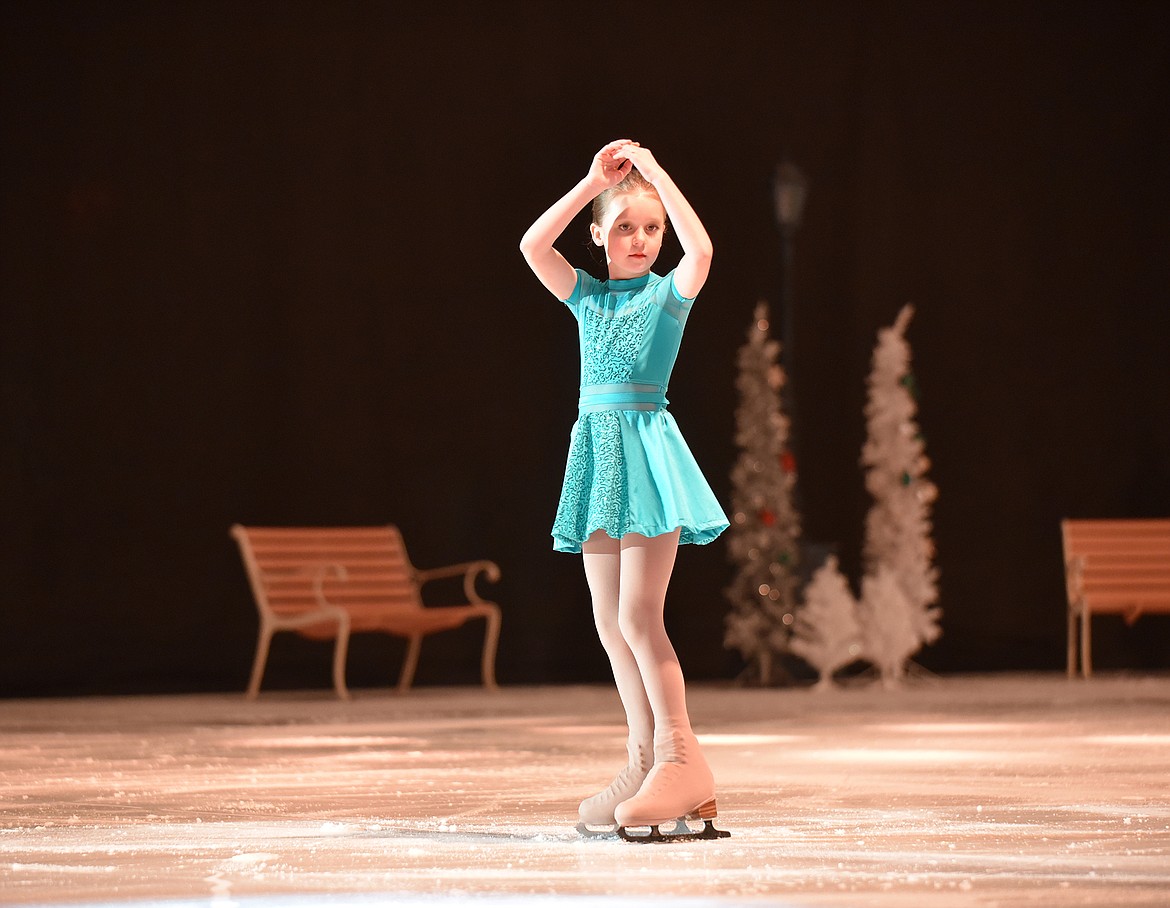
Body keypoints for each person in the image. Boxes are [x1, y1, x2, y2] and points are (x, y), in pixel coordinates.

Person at [519, 139, 730, 838]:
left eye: (652, 227)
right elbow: (531, 244)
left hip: (644, 456)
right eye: (627, 227)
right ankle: (644, 760)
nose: (642, 239)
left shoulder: (667, 295)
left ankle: (682, 755)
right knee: (610, 625)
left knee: (640, 617)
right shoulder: (586, 296)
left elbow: (700, 254)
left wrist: (660, 177)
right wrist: (590, 183)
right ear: (601, 234)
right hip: (596, 457)